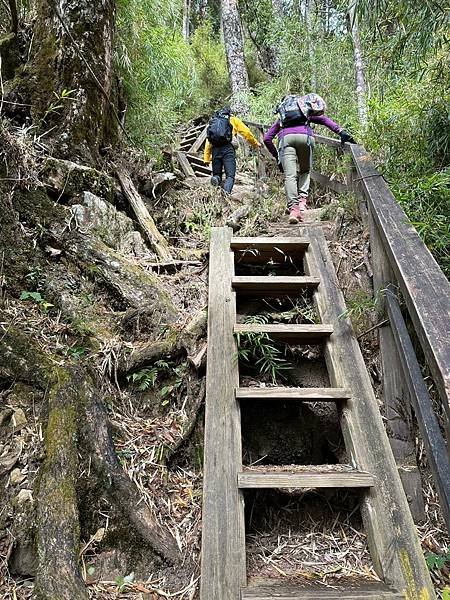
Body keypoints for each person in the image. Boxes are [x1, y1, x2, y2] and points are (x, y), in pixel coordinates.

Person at [263, 93, 355, 224]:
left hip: (286, 139)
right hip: (305, 138)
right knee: (305, 171)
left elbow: (267, 139)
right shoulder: (304, 111)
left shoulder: (282, 119)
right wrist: (340, 131)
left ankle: (294, 210)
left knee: (290, 176)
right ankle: (302, 202)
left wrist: (277, 156)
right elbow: (323, 120)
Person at [204, 107, 261, 195]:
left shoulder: (214, 121)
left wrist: (206, 158)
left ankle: (216, 182)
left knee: (217, 174)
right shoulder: (233, 120)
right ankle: (226, 194)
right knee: (230, 176)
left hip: (215, 149)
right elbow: (246, 133)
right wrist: (255, 143)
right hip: (228, 149)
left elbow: (208, 141)